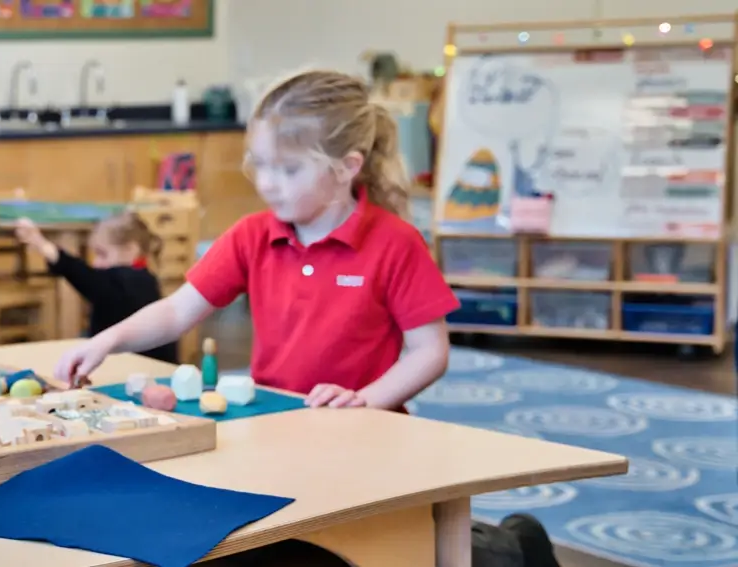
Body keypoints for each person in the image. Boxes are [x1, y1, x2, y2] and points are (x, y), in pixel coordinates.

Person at [53, 70, 560, 567]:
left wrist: (366, 400)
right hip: (277, 432)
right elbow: (178, 310)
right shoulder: (253, 234)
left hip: (370, 441)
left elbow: (430, 351)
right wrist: (107, 340)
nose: (269, 184)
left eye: (289, 169)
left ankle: (516, 545)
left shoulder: (395, 243)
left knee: (392, 542)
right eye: (262, 166)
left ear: (346, 167)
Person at [13, 212, 177, 363]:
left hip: (142, 366)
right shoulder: (140, 277)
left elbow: (86, 277)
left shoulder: (133, 280)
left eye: (103, 254)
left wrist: (42, 245)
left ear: (130, 250)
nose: (96, 263)